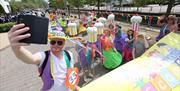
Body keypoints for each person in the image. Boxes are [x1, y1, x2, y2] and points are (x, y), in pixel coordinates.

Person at [8, 24, 76, 91]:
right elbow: (31, 58)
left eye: (59, 43)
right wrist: (17, 48)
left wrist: (75, 86)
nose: (56, 45)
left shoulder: (69, 54)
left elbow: (71, 73)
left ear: (64, 43)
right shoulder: (44, 56)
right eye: (53, 42)